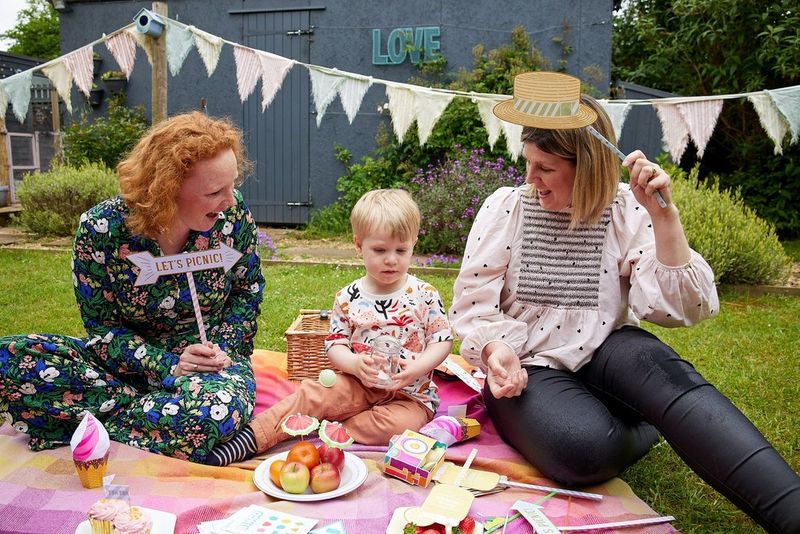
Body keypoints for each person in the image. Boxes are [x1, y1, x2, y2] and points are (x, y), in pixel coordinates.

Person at [450, 72, 800, 533]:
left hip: (607, 352)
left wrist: (664, 215)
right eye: (528, 163)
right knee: (582, 449)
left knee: (670, 380)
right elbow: (472, 305)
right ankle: (650, 424)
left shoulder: (624, 210)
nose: (530, 179)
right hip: (529, 364)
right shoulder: (507, 208)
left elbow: (684, 309)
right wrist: (496, 350)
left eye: (546, 168)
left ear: (588, 166)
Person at [0, 112, 265, 463]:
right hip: (124, 366)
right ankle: (157, 421)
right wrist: (167, 366)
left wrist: (222, 349)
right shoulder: (101, 229)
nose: (230, 201)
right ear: (167, 191)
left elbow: (247, 290)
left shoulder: (232, 217)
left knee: (214, 409)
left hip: (209, 370)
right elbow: (102, 330)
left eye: (232, 185)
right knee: (10, 360)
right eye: (215, 191)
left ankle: (86, 425)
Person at [207, 188, 453, 466]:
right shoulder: (348, 297)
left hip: (410, 395)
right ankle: (252, 438)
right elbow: (335, 344)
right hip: (358, 383)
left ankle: (327, 428)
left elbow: (442, 340)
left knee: (393, 427)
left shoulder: (425, 293)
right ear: (359, 245)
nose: (391, 259)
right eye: (380, 250)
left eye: (401, 250)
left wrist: (417, 369)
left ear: (414, 244)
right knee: (313, 393)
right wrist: (354, 363)